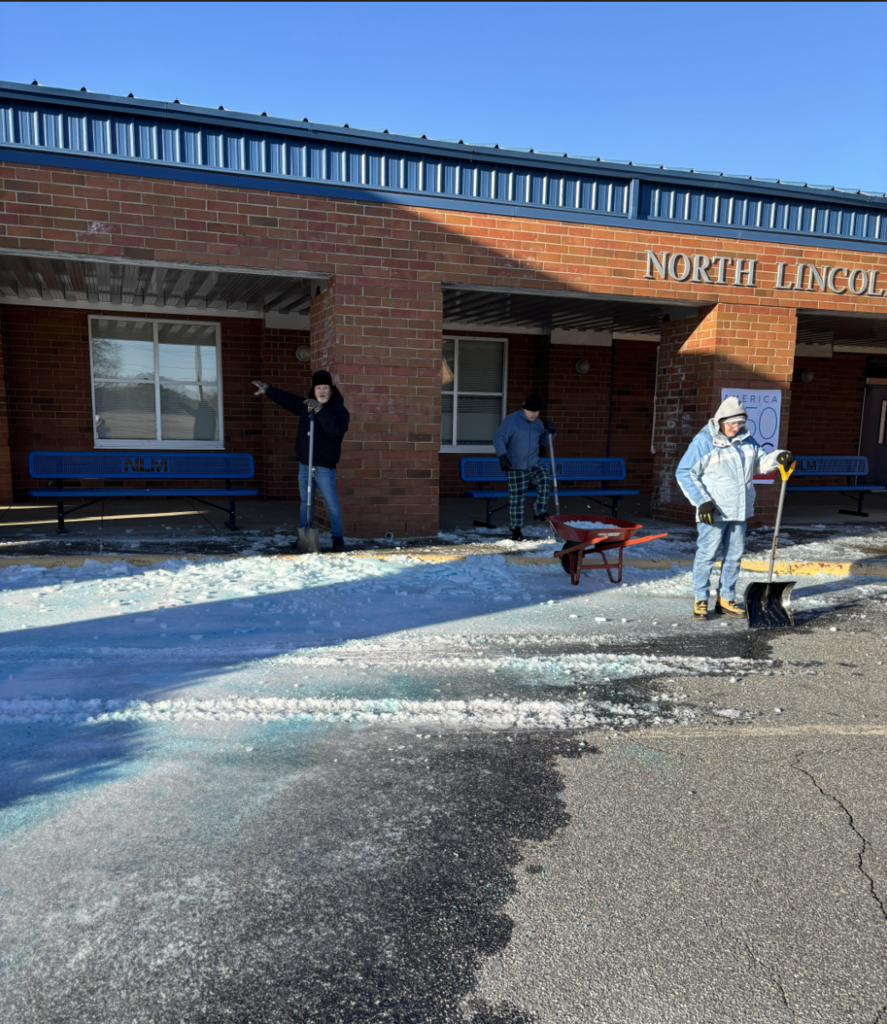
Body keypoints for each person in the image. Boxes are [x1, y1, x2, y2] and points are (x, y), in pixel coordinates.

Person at [676, 396, 794, 620]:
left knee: (734, 556)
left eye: (740, 423)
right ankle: (701, 600)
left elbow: (760, 463)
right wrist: (702, 502)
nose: (735, 427)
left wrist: (779, 456)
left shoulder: (747, 440)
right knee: (707, 555)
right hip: (713, 511)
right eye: (731, 423)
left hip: (740, 510)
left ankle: (726, 600)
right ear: (721, 420)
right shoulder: (704, 442)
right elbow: (685, 472)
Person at [252, 370, 350, 552]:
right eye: (318, 388)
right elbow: (288, 400)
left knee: (331, 503)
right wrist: (268, 390)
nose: (321, 391)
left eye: (325, 388)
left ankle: (338, 538)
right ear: (313, 390)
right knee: (306, 503)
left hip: (324, 467)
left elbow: (335, 430)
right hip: (305, 465)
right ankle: (304, 537)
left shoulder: (339, 411)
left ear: (331, 390)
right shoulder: (306, 406)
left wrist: (320, 411)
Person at [493, 393, 557, 541]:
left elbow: (544, 441)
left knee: (544, 478)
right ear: (524, 409)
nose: (534, 414)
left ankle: (540, 511)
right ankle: (516, 529)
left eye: (537, 411)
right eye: (531, 411)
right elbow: (499, 438)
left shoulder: (537, 423)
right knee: (517, 499)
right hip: (516, 466)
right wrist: (502, 456)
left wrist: (551, 432)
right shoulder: (512, 420)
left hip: (534, 462)